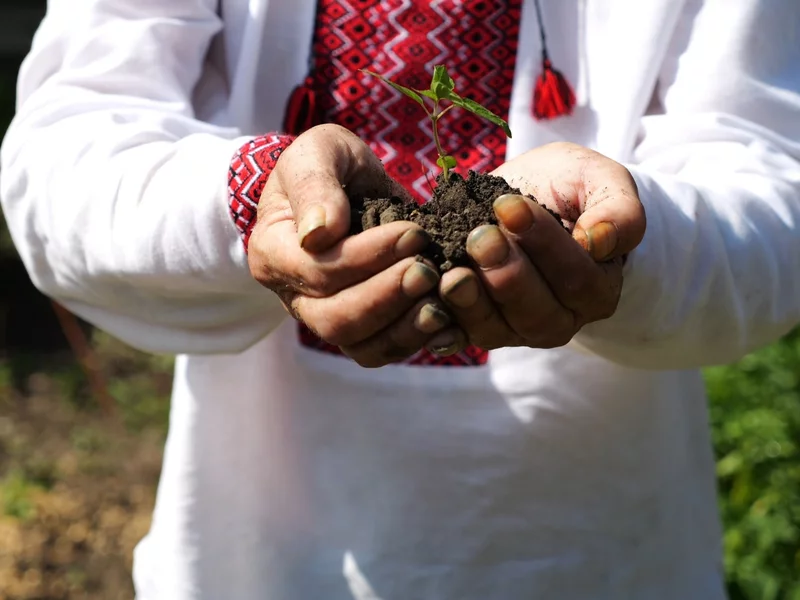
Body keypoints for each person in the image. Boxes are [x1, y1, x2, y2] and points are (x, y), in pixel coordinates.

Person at [2, 0, 799, 597]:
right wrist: (247, 200)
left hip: (597, 550)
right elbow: (62, 159)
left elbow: (767, 183)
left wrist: (627, 240)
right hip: (252, 553)